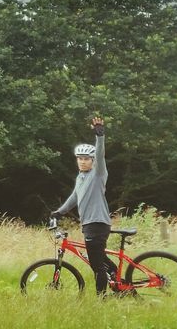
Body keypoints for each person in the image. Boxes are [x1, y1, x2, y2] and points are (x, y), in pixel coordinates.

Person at [52, 116, 114, 294]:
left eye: (87, 159)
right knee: (100, 258)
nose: (83, 161)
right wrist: (59, 212)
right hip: (89, 225)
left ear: (92, 161)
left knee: (96, 266)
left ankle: (101, 300)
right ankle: (117, 278)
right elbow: (74, 197)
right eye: (80, 158)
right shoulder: (81, 177)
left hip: (97, 224)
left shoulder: (98, 174)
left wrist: (100, 135)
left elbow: (101, 155)